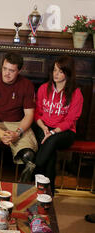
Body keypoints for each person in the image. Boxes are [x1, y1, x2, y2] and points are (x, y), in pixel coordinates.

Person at [0, 52, 38, 182]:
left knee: (28, 155)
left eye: (11, 70)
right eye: (4, 69)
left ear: (19, 70)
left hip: (17, 123)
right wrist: (0, 132)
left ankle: (21, 186)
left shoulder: (27, 85)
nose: (6, 73)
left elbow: (29, 115)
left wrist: (17, 133)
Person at [33, 56, 83, 195]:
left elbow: (70, 120)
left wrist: (53, 132)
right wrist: (44, 128)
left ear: (68, 73)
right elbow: (37, 113)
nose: (56, 74)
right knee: (50, 154)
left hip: (65, 132)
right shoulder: (44, 88)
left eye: (60, 71)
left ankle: (34, 167)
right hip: (43, 127)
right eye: (54, 70)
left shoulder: (76, 93)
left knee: (51, 141)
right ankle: (49, 192)